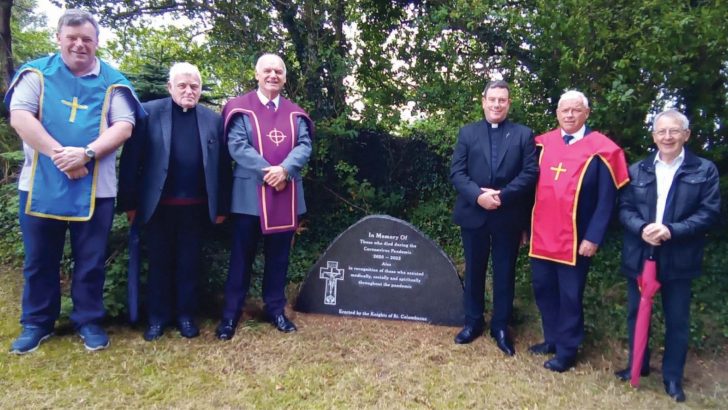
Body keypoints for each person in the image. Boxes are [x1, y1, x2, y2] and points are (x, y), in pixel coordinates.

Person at [4, 9, 144, 353]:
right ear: (59, 39)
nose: (80, 45)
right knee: (40, 259)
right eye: (72, 38)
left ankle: (89, 320)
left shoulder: (114, 82)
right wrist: (60, 155)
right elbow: (20, 116)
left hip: (97, 187)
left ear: (97, 43)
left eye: (87, 39)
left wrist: (87, 154)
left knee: (91, 258)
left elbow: (124, 126)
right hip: (39, 184)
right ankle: (37, 322)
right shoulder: (36, 74)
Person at [117, 62, 232, 341]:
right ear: (170, 87)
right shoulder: (148, 112)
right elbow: (132, 161)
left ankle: (185, 316)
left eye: (194, 86)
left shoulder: (212, 120)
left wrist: (223, 207)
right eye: (182, 85)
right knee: (159, 264)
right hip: (158, 207)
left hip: (196, 208)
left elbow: (222, 167)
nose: (189, 90)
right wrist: (130, 204)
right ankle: (157, 318)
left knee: (189, 264)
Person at [616, 110, 720, 402]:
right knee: (637, 314)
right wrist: (642, 228)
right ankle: (638, 365)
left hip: (679, 256)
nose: (667, 137)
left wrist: (671, 230)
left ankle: (672, 377)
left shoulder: (703, 170)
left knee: (677, 320)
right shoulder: (638, 169)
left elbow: (709, 212)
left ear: (686, 134)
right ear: (654, 136)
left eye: (674, 131)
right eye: (661, 132)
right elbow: (624, 208)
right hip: (641, 252)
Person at [528, 90, 629, 372]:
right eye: (564, 110)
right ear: (557, 113)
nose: (569, 115)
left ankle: (567, 350)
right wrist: (525, 228)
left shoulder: (602, 149)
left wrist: (594, 237)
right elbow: (529, 192)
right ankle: (552, 338)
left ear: (587, 113)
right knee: (543, 289)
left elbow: (607, 200)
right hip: (541, 235)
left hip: (577, 239)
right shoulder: (541, 145)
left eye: (575, 110)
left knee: (570, 295)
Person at [215, 53, 313, 340]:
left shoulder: (296, 113)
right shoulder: (239, 108)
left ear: (284, 77)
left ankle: (275, 310)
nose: (273, 75)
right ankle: (230, 315)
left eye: (278, 71)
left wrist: (285, 170)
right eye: (267, 70)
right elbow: (236, 146)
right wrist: (269, 171)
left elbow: (305, 146)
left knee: (279, 258)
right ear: (256, 75)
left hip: (286, 194)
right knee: (241, 258)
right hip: (249, 197)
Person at [449, 80, 538, 355]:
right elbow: (457, 173)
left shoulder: (523, 135)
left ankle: (500, 327)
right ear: (483, 101)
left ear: (509, 103)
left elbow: (530, 173)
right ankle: (473, 322)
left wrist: (502, 195)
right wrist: (479, 196)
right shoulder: (468, 133)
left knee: (504, 274)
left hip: (507, 215)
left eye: (502, 100)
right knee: (474, 271)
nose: (497, 104)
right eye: (493, 99)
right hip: (474, 214)